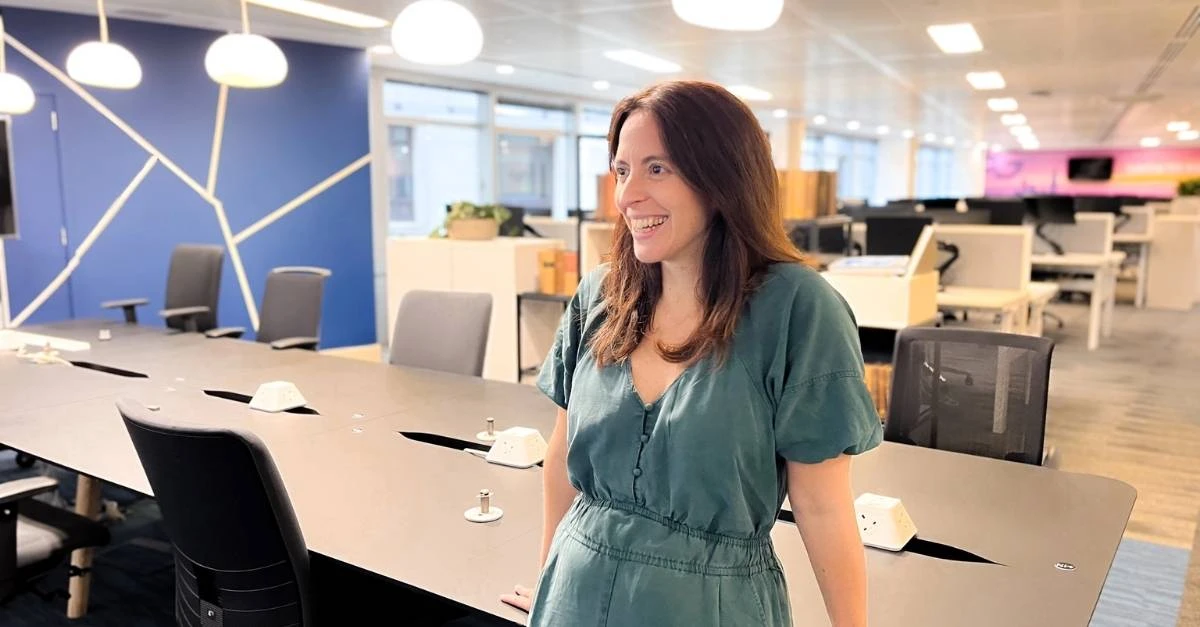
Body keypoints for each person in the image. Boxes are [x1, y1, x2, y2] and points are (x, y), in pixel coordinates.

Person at [500, 80, 883, 626]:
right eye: (622, 170)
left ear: (723, 177)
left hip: (710, 606)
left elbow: (822, 505)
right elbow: (561, 459)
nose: (628, 195)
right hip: (575, 596)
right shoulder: (601, 295)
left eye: (657, 168)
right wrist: (546, 581)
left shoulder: (798, 309)